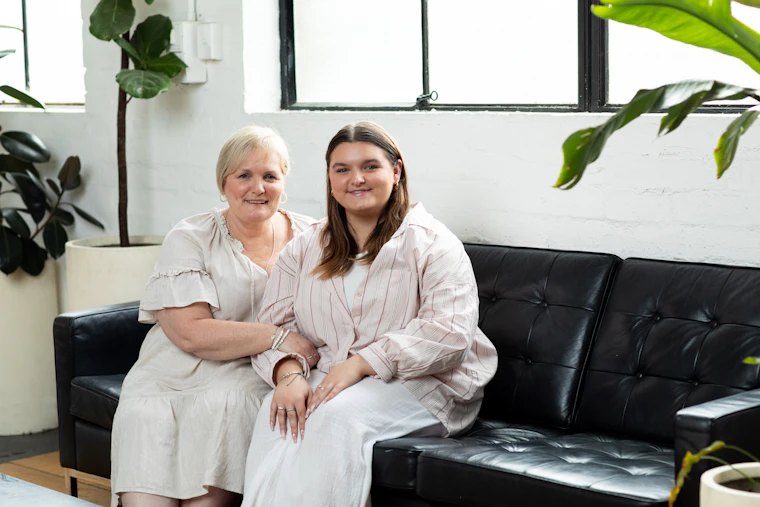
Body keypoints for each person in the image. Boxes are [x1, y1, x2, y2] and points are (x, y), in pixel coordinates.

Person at [242, 121, 498, 507]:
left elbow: (450, 333)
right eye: (341, 169)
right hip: (329, 373)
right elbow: (273, 327)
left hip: (426, 384)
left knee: (334, 416)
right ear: (330, 179)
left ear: (396, 172)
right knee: (276, 408)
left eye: (370, 167)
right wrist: (289, 373)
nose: (355, 179)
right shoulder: (306, 247)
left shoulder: (433, 243)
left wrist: (364, 362)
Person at [110, 125, 320, 507]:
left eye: (270, 176)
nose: (258, 187)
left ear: (284, 181)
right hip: (170, 375)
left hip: (249, 372)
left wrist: (284, 353)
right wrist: (278, 336)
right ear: (224, 183)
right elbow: (191, 333)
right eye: (244, 175)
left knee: (210, 482)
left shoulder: (313, 237)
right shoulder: (190, 236)